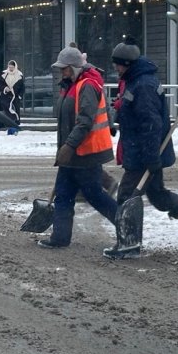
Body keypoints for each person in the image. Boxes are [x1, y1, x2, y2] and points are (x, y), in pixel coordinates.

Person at [103, 40, 178, 259]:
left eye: (118, 65)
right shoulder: (134, 80)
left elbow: (151, 124)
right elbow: (134, 113)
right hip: (143, 151)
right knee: (158, 196)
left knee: (127, 194)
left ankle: (129, 244)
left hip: (144, 154)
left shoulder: (143, 85)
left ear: (128, 64)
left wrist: (150, 157)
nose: (116, 69)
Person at [38, 45, 117, 249]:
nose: (61, 72)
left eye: (64, 68)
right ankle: (60, 237)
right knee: (63, 195)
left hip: (85, 152)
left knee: (95, 196)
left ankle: (126, 225)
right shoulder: (70, 85)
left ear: (73, 67)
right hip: (71, 153)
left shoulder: (87, 85)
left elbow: (85, 121)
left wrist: (69, 146)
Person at [0, 59, 24, 134]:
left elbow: (22, 87)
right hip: (6, 97)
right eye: (9, 67)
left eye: (12, 67)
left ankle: (14, 129)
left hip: (15, 97)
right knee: (8, 113)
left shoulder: (19, 75)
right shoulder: (4, 75)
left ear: (15, 67)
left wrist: (19, 96)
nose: (11, 68)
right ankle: (9, 128)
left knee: (15, 113)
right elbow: (0, 85)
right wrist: (5, 88)